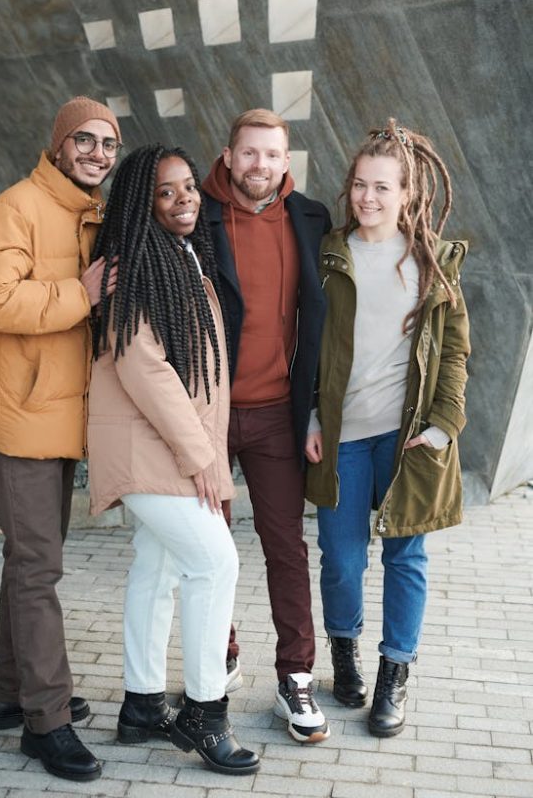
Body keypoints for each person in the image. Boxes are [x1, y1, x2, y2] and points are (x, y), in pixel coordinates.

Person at [0, 96, 123, 783]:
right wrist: (79, 294)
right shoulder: (14, 209)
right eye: (83, 140)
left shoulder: (90, 216)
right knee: (37, 569)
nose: (96, 154)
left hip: (57, 417)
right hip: (21, 418)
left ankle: (6, 695)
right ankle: (44, 722)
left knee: (26, 561)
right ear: (56, 145)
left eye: (107, 145)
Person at [87, 144, 260, 776]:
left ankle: (140, 704)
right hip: (149, 451)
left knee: (158, 570)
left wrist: (204, 453)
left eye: (189, 186)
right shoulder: (134, 265)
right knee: (215, 563)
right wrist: (205, 460)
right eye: (166, 191)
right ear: (142, 204)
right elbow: (146, 369)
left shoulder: (180, 257)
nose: (184, 197)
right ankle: (205, 712)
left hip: (167, 449)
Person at [305, 118, 470, 737]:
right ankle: (343, 652)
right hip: (342, 438)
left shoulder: (433, 260)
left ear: (407, 194)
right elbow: (305, 346)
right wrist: (311, 417)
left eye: (382, 187)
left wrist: (444, 425)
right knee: (342, 561)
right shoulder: (328, 255)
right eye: (358, 185)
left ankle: (393, 675)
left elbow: (454, 350)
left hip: (407, 444)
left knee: (407, 556)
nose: (367, 198)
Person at [202, 109, 332, 744]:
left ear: (286, 161)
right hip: (206, 416)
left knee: (286, 547)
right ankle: (219, 654)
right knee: (210, 550)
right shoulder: (195, 217)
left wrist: (310, 409)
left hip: (279, 415)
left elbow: (318, 325)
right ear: (228, 157)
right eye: (247, 154)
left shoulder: (309, 219)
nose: (258, 165)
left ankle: (296, 676)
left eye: (271, 154)